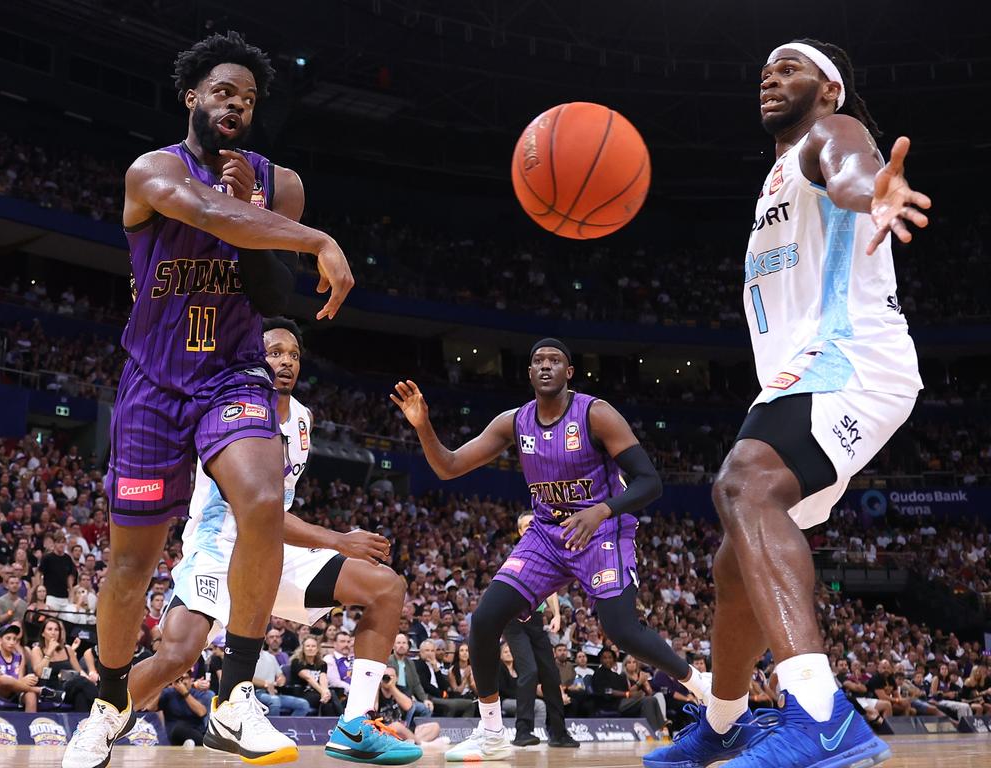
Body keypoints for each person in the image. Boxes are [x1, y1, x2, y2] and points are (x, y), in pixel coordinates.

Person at [60, 31, 353, 768]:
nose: (235, 106)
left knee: (260, 502)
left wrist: (268, 218)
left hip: (232, 374)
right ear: (192, 96)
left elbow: (272, 295)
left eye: (248, 100)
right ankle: (109, 701)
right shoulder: (151, 172)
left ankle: (234, 699)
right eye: (223, 92)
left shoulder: (278, 183)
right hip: (155, 382)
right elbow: (208, 215)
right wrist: (316, 238)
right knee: (132, 563)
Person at [644, 39, 930, 768]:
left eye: (790, 67)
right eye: (765, 70)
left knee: (744, 481)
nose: (770, 76)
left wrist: (875, 189)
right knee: (732, 566)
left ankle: (822, 715)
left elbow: (849, 172)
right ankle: (725, 720)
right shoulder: (775, 176)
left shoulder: (831, 134)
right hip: (802, 371)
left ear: (829, 89)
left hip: (851, 357)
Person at [391, 338, 708, 761]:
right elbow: (448, 467)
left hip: (601, 530)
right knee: (485, 619)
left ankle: (702, 686)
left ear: (569, 372)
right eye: (538, 361)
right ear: (528, 372)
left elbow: (651, 482)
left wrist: (600, 510)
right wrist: (423, 427)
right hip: (546, 535)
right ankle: (491, 733)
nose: (545, 367)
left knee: (620, 629)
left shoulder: (597, 414)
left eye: (554, 361)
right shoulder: (514, 422)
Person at [124, 319, 418, 765]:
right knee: (178, 656)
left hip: (274, 553)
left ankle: (356, 724)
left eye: (294, 355)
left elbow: (276, 514)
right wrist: (339, 540)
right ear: (253, 357)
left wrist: (333, 543)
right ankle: (103, 717)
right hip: (219, 549)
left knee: (385, 586)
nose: (285, 362)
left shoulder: (303, 419)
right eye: (275, 351)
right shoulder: (231, 408)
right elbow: (256, 512)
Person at [502, 513, 577, 747]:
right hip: (514, 619)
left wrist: (555, 614)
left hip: (535, 620)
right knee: (529, 672)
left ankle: (558, 733)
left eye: (533, 524)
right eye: (526, 525)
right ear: (520, 531)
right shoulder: (518, 552)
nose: (530, 528)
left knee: (551, 676)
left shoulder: (545, 553)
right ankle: (522, 731)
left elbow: (550, 587)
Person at [0, 624, 57, 712]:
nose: (12, 642)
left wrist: (26, 680)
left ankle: (31, 723)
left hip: (17, 690)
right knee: (4, 679)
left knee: (31, 695)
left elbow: (20, 680)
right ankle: (39, 690)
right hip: (0, 691)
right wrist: (21, 681)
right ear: (0, 640)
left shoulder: (20, 657)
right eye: (8, 638)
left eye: (14, 639)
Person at [153, 671, 214, 746]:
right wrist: (161, 686)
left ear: (191, 680)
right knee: (179, 727)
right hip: (174, 734)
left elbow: (202, 712)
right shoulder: (168, 693)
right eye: (178, 679)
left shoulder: (198, 693)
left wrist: (185, 693)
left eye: (184, 678)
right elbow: (151, 708)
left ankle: (192, 743)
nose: (181, 682)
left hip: (196, 732)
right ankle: (205, 745)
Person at [252, 646, 310, 716]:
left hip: (274, 692)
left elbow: (280, 675)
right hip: (255, 693)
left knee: (303, 704)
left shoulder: (270, 657)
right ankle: (272, 726)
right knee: (274, 701)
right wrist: (266, 684)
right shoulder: (246, 657)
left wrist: (281, 680)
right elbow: (247, 677)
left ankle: (287, 726)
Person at [290, 636, 340, 716]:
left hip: (318, 693)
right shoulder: (296, 662)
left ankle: (332, 725)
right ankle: (342, 721)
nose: (310, 648)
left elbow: (323, 679)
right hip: (302, 694)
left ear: (317, 649)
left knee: (329, 699)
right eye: (308, 646)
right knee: (328, 698)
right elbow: (309, 678)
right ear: (303, 648)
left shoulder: (322, 664)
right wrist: (323, 692)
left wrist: (325, 691)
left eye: (313, 646)